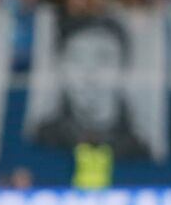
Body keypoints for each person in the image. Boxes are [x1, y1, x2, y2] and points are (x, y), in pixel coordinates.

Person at [33, 15, 149, 159]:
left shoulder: (138, 148)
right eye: (77, 58)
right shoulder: (44, 140)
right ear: (60, 67)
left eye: (103, 58)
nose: (89, 75)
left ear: (124, 66)